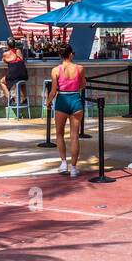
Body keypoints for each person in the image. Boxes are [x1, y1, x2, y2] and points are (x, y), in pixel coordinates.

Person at [46, 45, 85, 176]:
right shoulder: (80, 68)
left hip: (62, 100)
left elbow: (53, 90)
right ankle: (74, 169)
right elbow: (83, 85)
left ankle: (63, 164)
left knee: (59, 134)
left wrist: (48, 101)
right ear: (71, 54)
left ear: (60, 55)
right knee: (74, 136)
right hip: (75, 100)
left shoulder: (55, 70)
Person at [0, 40, 28, 106]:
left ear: (8, 45)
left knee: (2, 82)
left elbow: (5, 61)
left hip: (13, 74)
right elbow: (21, 59)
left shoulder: (5, 54)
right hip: (23, 74)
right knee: (22, 82)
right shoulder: (18, 51)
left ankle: (10, 99)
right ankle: (25, 99)